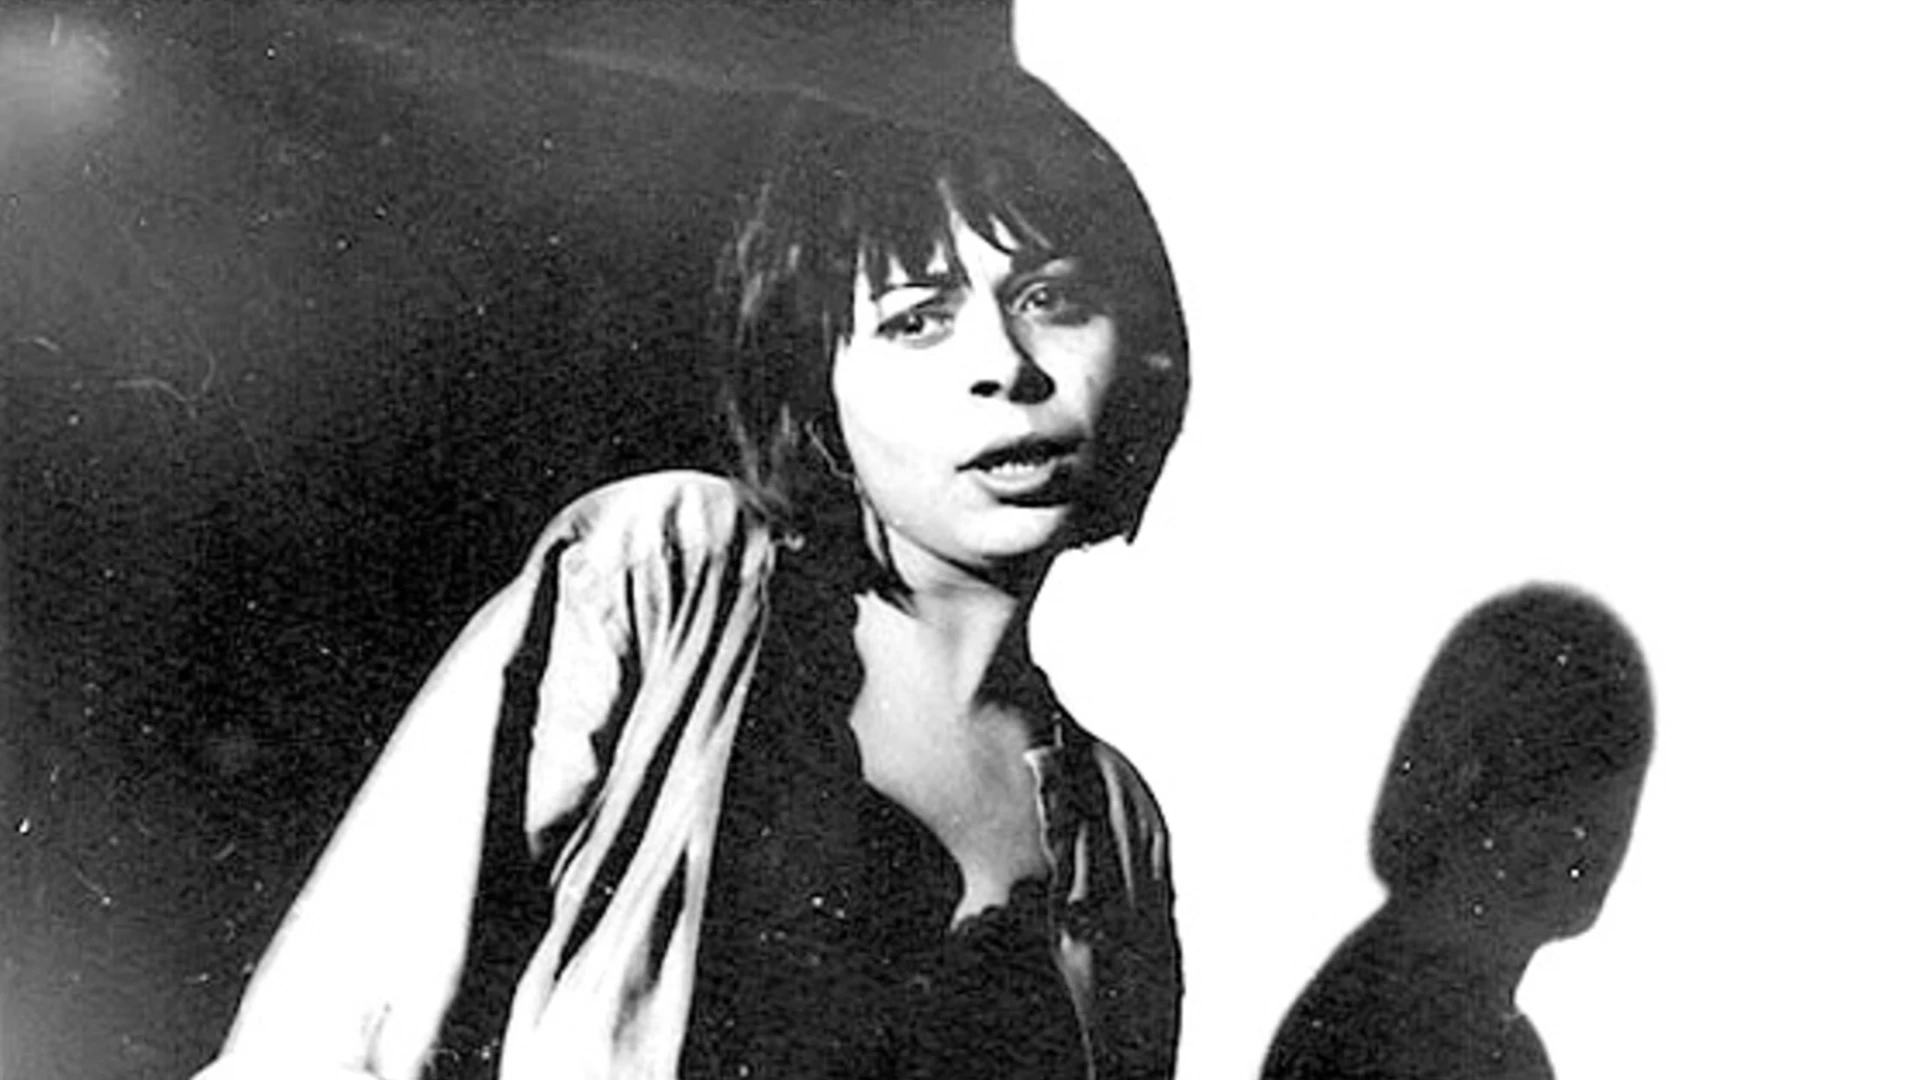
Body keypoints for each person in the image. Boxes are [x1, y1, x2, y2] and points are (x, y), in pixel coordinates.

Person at [190, 57, 1190, 1080]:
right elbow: (325, 1037)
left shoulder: (1114, 825)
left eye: (1050, 298)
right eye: (916, 320)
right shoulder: (669, 572)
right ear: (817, 383)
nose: (1006, 368)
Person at [1261, 584, 1653, 1080]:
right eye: (1549, 789)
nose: (1591, 840)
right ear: (1465, 784)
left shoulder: (1460, 1022)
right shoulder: (1404, 1027)